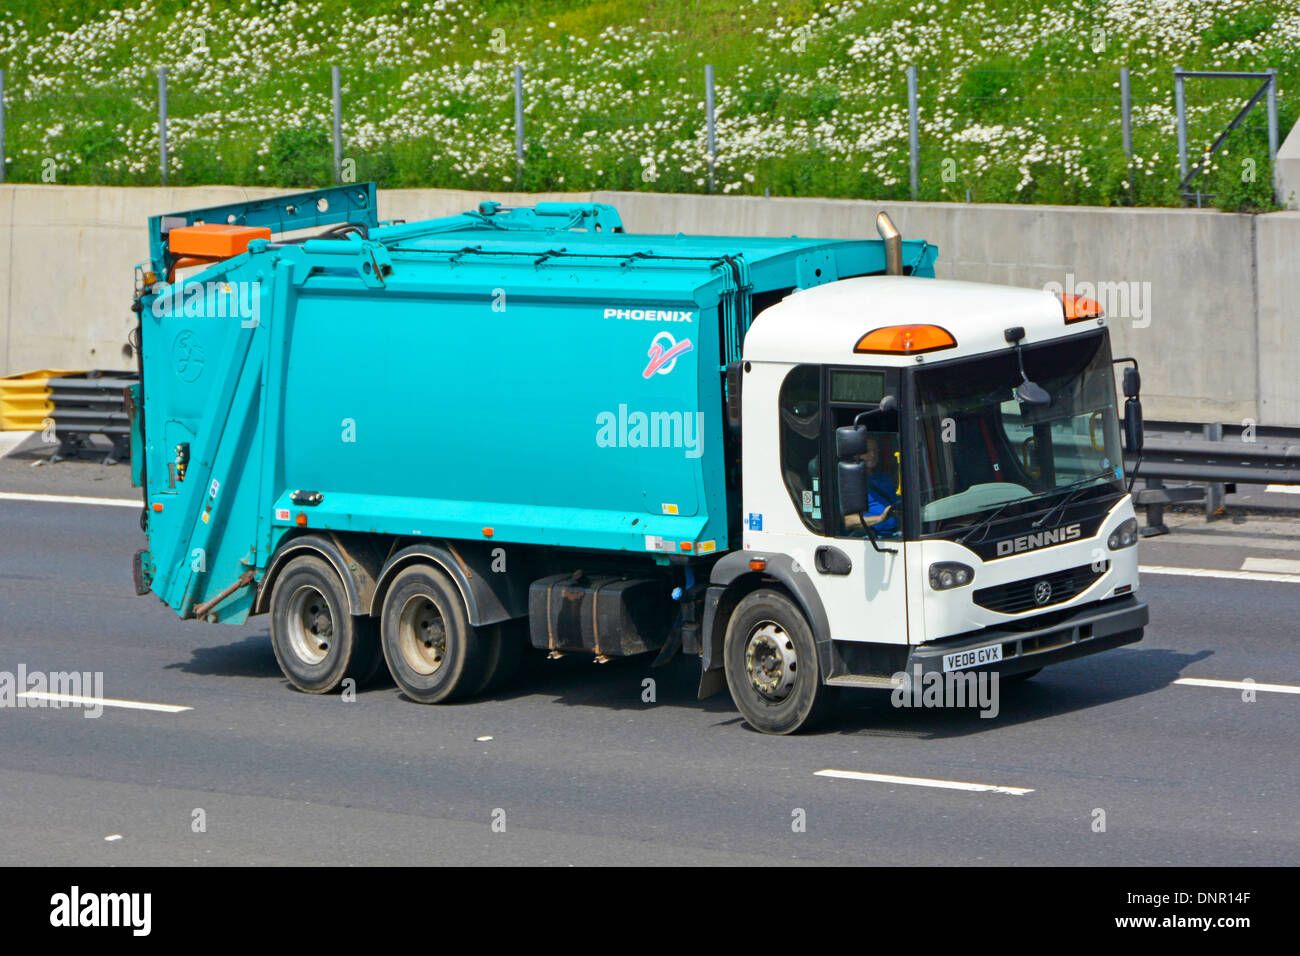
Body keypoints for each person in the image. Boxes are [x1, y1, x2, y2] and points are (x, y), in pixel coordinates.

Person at [843, 436, 900, 536]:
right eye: (867, 451)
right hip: (871, 539)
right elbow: (849, 521)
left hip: (895, 535)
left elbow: (896, 506)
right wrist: (880, 518)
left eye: (875, 451)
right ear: (856, 455)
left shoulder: (885, 478)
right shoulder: (852, 482)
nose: (873, 455)